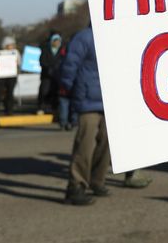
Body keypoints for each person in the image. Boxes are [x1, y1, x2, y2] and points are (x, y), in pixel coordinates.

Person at [60, 25, 110, 205]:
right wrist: (67, 88)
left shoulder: (114, 32)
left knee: (106, 143)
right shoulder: (85, 37)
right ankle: (76, 186)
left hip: (110, 100)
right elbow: (70, 65)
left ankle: (97, 180)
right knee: (85, 144)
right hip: (88, 100)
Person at [38, 31, 62, 114]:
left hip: (57, 75)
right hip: (46, 75)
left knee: (55, 92)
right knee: (44, 91)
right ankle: (41, 107)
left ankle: (53, 108)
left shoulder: (62, 51)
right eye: (55, 41)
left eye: (59, 41)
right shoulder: (45, 50)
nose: (57, 43)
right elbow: (42, 61)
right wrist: (48, 68)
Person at [0, 36, 21, 115]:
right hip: (0, 76)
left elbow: (19, 63)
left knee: (10, 93)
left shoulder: (15, 52)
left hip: (11, 76)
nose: (12, 46)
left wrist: (17, 63)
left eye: (13, 45)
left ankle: (9, 110)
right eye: (10, 45)